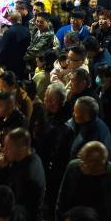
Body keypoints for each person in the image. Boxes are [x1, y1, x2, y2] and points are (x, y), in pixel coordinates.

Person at [42, 83, 75, 213]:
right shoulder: (49, 113)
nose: (48, 102)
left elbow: (58, 149)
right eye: (46, 98)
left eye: (52, 100)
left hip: (58, 166)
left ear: (62, 101)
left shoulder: (66, 122)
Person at [0, 11, 31, 79]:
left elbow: (3, 50)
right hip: (23, 63)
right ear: (20, 19)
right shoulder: (27, 30)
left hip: (11, 66)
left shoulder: (8, 32)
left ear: (10, 20)